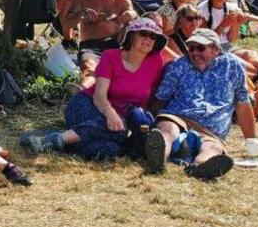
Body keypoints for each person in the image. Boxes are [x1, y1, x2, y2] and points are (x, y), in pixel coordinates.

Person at [21, 16, 168, 159]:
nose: (148, 39)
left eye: (153, 36)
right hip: (88, 104)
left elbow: (152, 94)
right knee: (119, 131)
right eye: (143, 33)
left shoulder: (156, 61)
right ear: (131, 36)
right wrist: (110, 113)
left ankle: (53, 138)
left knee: (113, 149)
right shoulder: (110, 56)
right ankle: (54, 139)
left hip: (116, 121)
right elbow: (99, 95)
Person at [142, 28, 257, 180]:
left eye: (200, 48)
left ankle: (200, 167)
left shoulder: (232, 66)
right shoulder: (179, 65)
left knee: (213, 147)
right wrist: (150, 120)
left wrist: (252, 143)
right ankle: (157, 160)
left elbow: (242, 104)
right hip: (179, 118)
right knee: (167, 129)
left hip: (211, 130)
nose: (195, 53)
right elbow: (161, 98)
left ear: (216, 50)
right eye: (191, 48)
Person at [62, 0, 137, 89]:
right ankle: (83, 89)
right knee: (89, 66)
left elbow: (134, 14)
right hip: (91, 45)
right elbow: (66, 22)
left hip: (115, 45)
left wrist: (128, 15)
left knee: (119, 70)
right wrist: (80, 14)